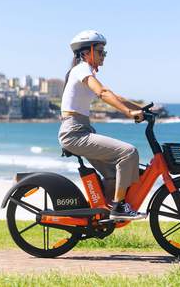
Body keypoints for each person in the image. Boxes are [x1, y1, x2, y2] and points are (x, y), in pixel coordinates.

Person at [58, 30, 145, 220]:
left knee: (114, 175)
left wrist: (143, 109)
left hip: (82, 130)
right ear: (87, 52)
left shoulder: (86, 72)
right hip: (74, 133)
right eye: (100, 51)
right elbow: (103, 93)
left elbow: (114, 96)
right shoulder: (82, 69)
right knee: (128, 153)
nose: (103, 55)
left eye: (104, 52)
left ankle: (102, 217)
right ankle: (119, 207)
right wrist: (129, 113)